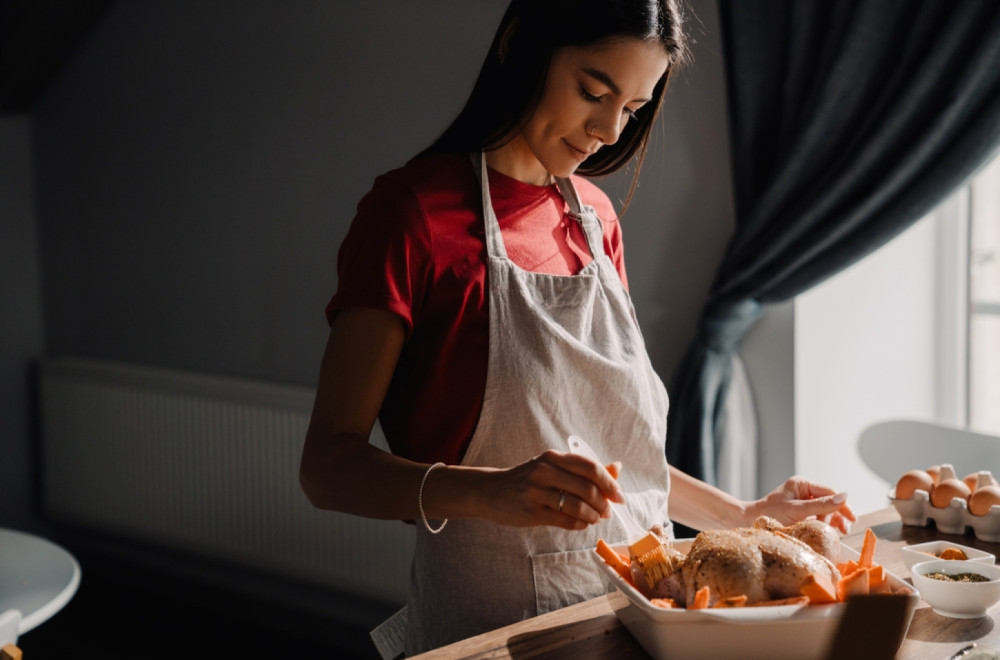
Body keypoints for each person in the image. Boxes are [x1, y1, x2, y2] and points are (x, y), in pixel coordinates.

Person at [300, 0, 856, 654]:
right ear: (519, 44)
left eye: (633, 109)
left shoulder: (596, 220)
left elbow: (619, 461)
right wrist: (491, 492)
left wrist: (743, 514)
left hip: (643, 613)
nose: (609, 131)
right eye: (593, 92)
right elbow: (327, 467)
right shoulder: (413, 215)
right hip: (497, 628)